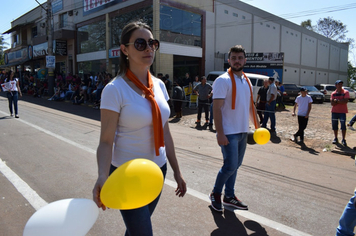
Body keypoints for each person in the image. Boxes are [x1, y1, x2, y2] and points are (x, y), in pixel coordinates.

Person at [92, 21, 186, 236]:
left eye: (152, 43)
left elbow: (165, 132)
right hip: (127, 175)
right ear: (124, 49)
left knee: (136, 231)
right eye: (141, 44)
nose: (149, 49)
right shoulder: (114, 90)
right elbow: (106, 141)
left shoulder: (159, 86)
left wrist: (176, 172)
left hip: (156, 172)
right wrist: (101, 176)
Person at [210, 45, 259, 212]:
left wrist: (258, 127)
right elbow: (216, 108)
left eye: (240, 58)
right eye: (233, 58)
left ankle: (229, 196)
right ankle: (216, 193)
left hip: (243, 131)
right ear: (228, 60)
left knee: (235, 166)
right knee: (230, 166)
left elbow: (251, 106)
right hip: (228, 132)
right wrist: (220, 133)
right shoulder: (222, 80)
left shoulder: (246, 80)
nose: (237, 61)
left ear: (245, 60)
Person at [331, 80, 349, 146]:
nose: (340, 85)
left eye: (341, 84)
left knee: (343, 125)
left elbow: (345, 101)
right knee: (335, 125)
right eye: (338, 84)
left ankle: (343, 139)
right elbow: (332, 103)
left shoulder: (345, 92)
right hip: (334, 111)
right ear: (336, 85)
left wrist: (336, 101)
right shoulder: (333, 93)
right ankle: (335, 138)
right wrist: (339, 101)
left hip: (342, 112)